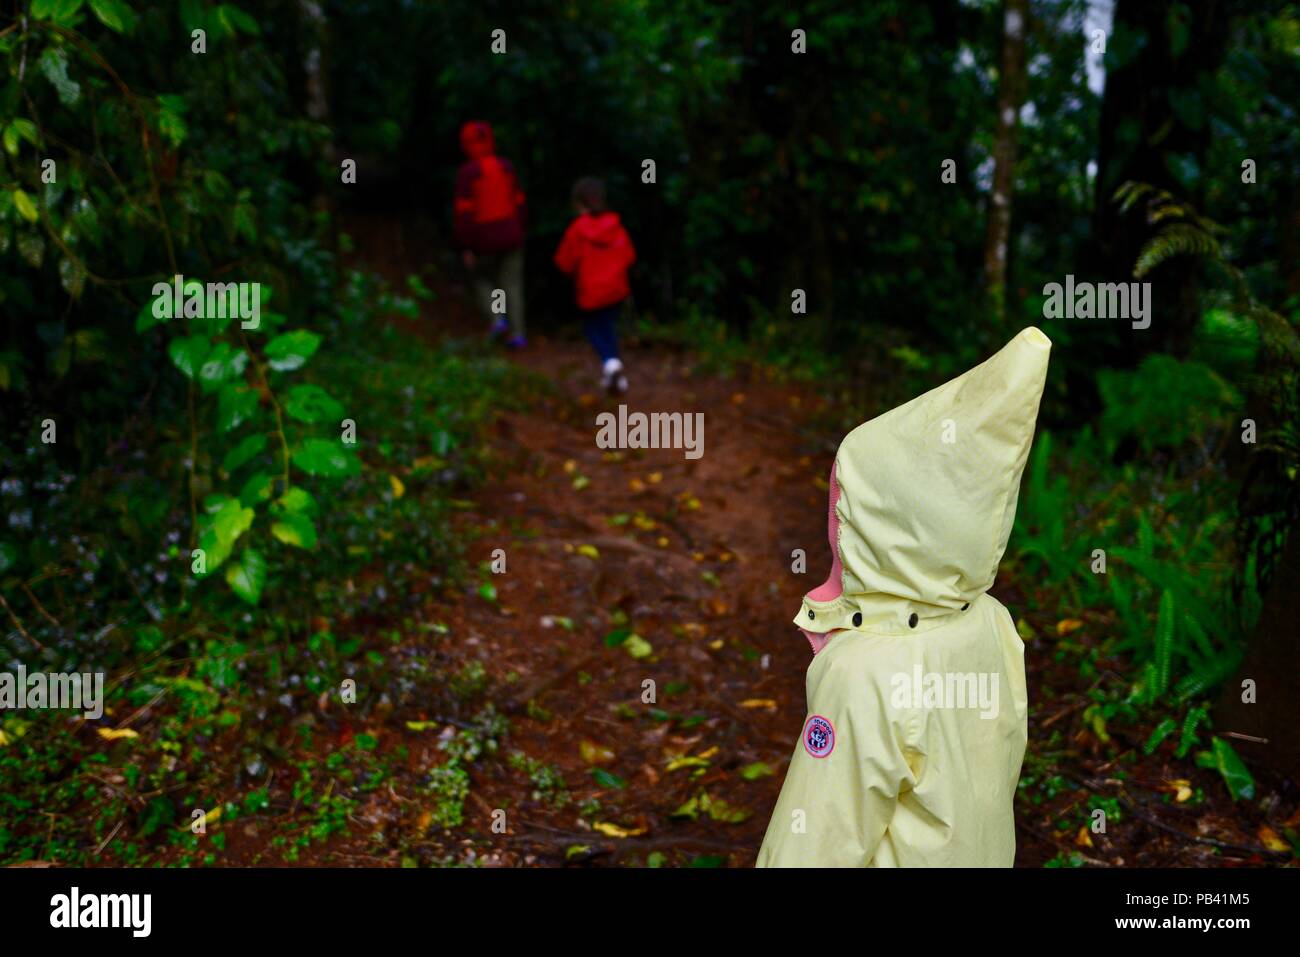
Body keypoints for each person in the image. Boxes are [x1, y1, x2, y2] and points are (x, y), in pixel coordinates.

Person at [756, 327, 1052, 867]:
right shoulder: (989, 621)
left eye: (846, 508)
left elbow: (815, 842)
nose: (836, 525)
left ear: (888, 525)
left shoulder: (865, 674)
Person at [553, 177, 636, 394]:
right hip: (615, 290)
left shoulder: (577, 230)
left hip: (591, 292)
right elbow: (629, 256)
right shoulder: (616, 227)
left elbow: (564, 263)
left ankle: (611, 364)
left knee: (593, 330)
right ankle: (615, 375)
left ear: (579, 204)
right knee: (608, 328)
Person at [453, 120, 527, 348]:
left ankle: (497, 319)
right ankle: (517, 334)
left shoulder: (468, 173)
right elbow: (520, 202)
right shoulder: (505, 166)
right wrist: (520, 229)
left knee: (484, 279)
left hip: (484, 239)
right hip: (512, 234)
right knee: (511, 284)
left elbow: (464, 213)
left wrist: (466, 245)